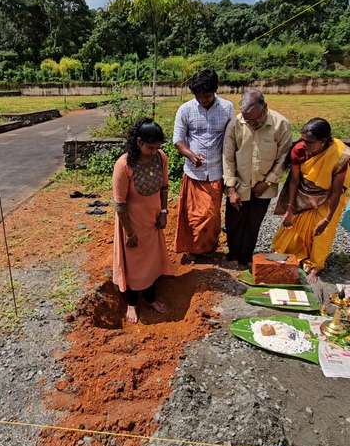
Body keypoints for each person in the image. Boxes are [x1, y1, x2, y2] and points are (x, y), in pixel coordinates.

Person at [273, 118, 350, 281]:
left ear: (323, 142)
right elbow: (294, 180)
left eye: (310, 142)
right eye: (303, 139)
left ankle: (315, 265)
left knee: (322, 233)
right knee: (291, 230)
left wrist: (327, 219)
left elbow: (336, 192)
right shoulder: (299, 149)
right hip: (304, 194)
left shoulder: (340, 155)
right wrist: (290, 209)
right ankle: (296, 255)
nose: (304, 144)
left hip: (329, 198)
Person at [112, 118, 173, 323]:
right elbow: (120, 204)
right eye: (150, 147)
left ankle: (150, 298)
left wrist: (163, 212)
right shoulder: (123, 165)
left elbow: (164, 187)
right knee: (133, 263)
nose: (155, 151)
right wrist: (129, 233)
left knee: (151, 261)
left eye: (158, 147)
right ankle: (131, 303)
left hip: (153, 219)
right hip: (131, 223)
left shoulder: (160, 158)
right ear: (139, 142)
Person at [223, 89, 292, 268]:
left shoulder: (281, 124)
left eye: (253, 119)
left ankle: (245, 258)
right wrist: (231, 189)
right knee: (233, 223)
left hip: (264, 187)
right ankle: (233, 255)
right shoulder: (235, 124)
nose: (249, 123)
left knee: (253, 224)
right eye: (246, 119)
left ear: (265, 108)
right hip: (239, 185)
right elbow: (228, 157)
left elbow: (283, 158)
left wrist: (268, 181)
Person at [173, 68, 234, 257]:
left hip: (216, 172)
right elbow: (178, 140)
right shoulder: (185, 109)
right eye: (198, 96)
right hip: (193, 174)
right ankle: (193, 250)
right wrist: (190, 155)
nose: (203, 100)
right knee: (192, 216)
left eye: (206, 96)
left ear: (215, 90)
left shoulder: (227, 108)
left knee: (210, 216)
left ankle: (208, 249)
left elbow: (232, 138)